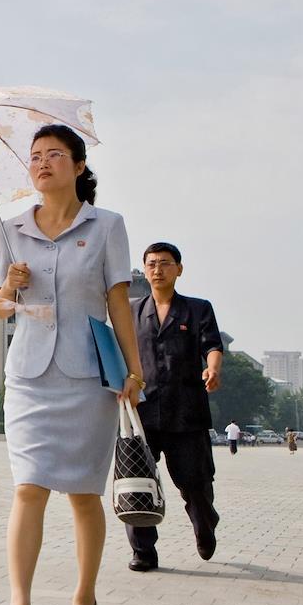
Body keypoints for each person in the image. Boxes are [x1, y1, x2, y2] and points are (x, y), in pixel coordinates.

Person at [0, 124, 141, 605]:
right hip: (29, 375)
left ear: (79, 166)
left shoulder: (106, 226)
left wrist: (133, 370)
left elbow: (118, 300)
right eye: (34, 157)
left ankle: (83, 599)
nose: (42, 163)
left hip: (87, 375)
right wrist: (11, 285)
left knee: (81, 494)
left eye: (55, 154)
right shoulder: (11, 229)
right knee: (28, 488)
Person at [125, 243, 224, 573]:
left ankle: (204, 524)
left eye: (165, 263)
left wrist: (213, 368)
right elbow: (118, 351)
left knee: (195, 482)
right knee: (136, 482)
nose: (157, 269)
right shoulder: (132, 311)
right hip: (142, 411)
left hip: (186, 411)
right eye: (151, 264)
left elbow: (212, 345)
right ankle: (143, 552)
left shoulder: (198, 309)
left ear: (179, 269)